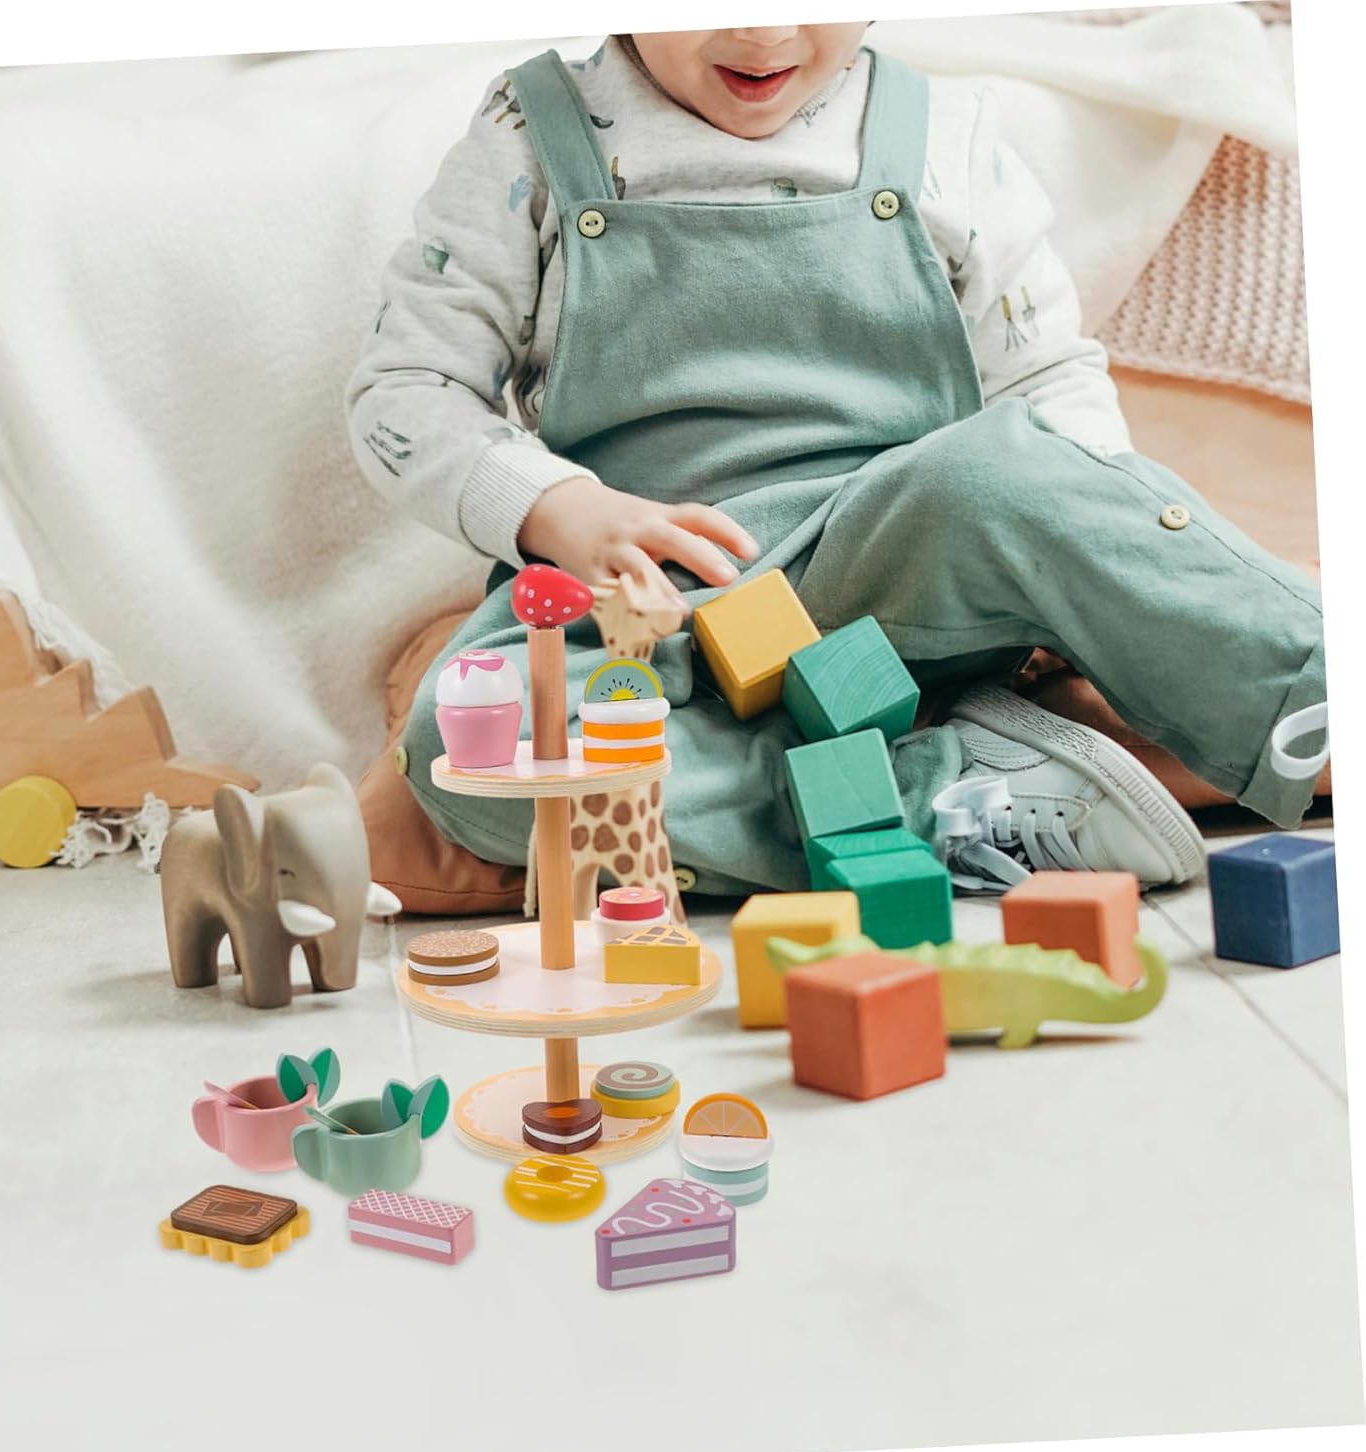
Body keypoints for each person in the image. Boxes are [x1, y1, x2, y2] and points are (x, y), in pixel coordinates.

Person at [346, 24, 1327, 897]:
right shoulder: (528, 136)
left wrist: (1080, 576)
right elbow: (406, 392)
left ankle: (1314, 689)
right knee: (462, 751)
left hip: (899, 572)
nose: (765, 34)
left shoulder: (945, 135)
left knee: (1008, 471)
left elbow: (1047, 387)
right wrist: (558, 508)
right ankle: (951, 792)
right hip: (654, 615)